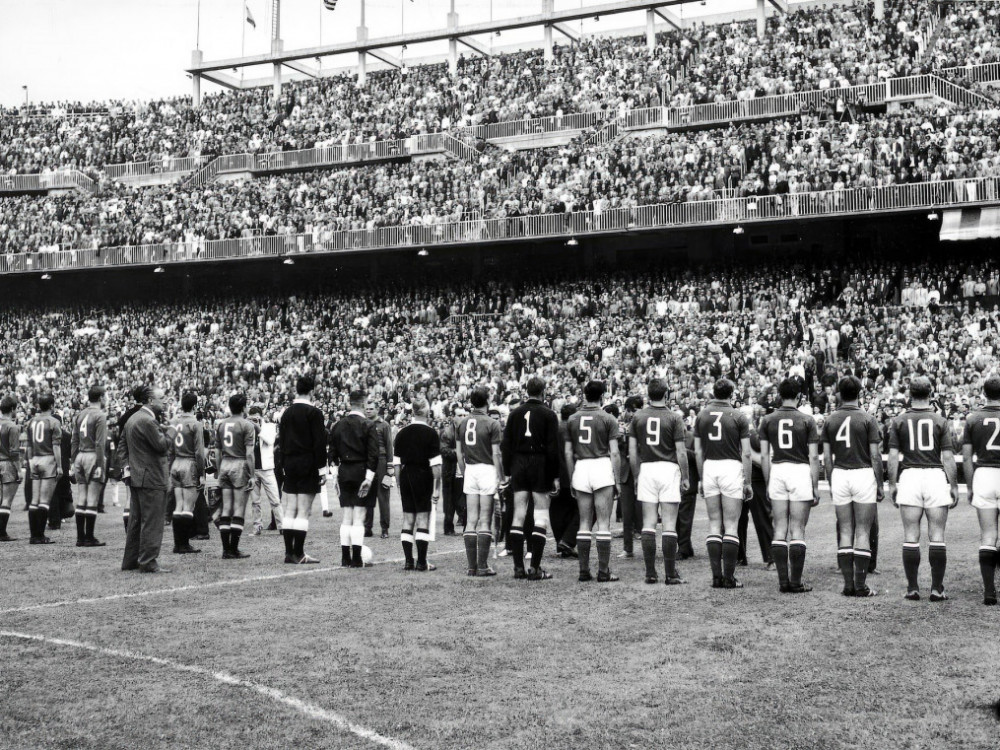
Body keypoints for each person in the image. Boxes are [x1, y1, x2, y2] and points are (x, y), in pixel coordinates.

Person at [886, 377, 959, 602]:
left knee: (910, 535)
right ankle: (937, 589)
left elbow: (893, 457)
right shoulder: (940, 420)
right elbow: (947, 457)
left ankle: (913, 588)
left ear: (910, 393)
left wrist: (892, 483)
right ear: (930, 393)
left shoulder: (898, 421)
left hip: (909, 476)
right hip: (935, 476)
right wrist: (953, 485)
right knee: (937, 534)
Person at [823, 375, 884, 598]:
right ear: (860, 393)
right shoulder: (868, 419)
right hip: (862, 473)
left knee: (846, 529)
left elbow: (827, 459)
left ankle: (848, 585)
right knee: (863, 531)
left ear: (839, 393)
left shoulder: (830, 419)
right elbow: (875, 456)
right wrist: (879, 484)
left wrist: (831, 481)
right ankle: (860, 586)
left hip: (840, 473)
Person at [759, 378, 820, 594]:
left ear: (779, 396)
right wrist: (815, 486)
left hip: (778, 470)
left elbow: (765, 455)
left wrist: (768, 482)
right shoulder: (807, 420)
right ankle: (795, 581)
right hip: (799, 471)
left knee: (779, 527)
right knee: (797, 528)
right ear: (799, 396)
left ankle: (783, 581)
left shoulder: (767, 420)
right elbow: (813, 458)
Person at [628, 379, 690, 585]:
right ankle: (670, 573)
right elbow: (681, 452)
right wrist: (686, 476)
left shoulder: (638, 416)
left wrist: (637, 476)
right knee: (670, 524)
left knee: (648, 523)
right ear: (666, 394)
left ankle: (650, 573)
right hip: (668, 469)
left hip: (647, 468)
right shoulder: (674, 417)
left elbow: (632, 452)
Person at [501, 375, 561, 579]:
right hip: (540, 463)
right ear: (543, 392)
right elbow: (553, 448)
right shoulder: (549, 414)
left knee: (519, 513)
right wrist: (555, 475)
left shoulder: (515, 413)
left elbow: (506, 445)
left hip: (519, 463)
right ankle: (535, 567)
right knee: (541, 514)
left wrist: (508, 471)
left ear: (527, 391)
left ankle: (518, 567)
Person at [694, 378, 752, 589]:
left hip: (710, 467)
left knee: (713, 524)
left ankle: (716, 577)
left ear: (713, 393)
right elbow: (746, 452)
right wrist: (748, 481)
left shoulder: (702, 415)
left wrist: (701, 477)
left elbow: (698, 451)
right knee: (731, 525)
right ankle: (729, 577)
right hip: (730, 468)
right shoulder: (738, 416)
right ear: (731, 393)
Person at [566, 380, 621, 582]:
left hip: (581, 466)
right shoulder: (608, 418)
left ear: (584, 395)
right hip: (601, 466)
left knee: (584, 522)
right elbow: (614, 453)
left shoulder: (573, 418)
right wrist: (617, 479)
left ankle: (583, 570)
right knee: (604, 522)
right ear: (602, 396)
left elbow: (568, 452)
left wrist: (573, 476)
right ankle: (604, 571)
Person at [118, 386, 173, 573]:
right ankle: (148, 561)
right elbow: (162, 446)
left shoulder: (132, 418)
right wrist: (171, 431)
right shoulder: (148, 421)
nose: (165, 400)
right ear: (151, 400)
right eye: (162, 397)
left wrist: (127, 469)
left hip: (137, 477)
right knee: (152, 521)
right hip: (152, 477)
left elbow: (122, 448)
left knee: (136, 520)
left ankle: (131, 561)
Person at [275, 374, 327, 564]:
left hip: (289, 463)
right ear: (312, 391)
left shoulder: (286, 413)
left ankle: (289, 553)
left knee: (290, 509)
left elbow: (280, 442)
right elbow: (319, 444)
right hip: (307, 463)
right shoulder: (314, 413)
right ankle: (299, 553)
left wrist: (282, 465)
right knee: (303, 510)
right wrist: (322, 470)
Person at [456, 385, 505, 578]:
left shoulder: (463, 422)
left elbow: (459, 453)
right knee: (485, 519)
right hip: (486, 469)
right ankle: (482, 565)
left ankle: (471, 566)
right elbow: (496, 454)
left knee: (471, 520)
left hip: (470, 469)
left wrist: (464, 470)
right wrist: (500, 477)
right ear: (487, 402)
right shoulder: (492, 423)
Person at [961, 375, 1000, 605]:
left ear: (984, 393)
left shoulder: (973, 418)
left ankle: (989, 591)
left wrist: (970, 485)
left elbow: (966, 456)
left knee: (987, 535)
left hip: (984, 474)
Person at [329, 390, 378, 568]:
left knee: (346, 516)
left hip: (344, 471)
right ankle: (356, 559)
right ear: (364, 404)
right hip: (361, 471)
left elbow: (331, 454)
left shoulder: (338, 425)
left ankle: (345, 558)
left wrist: (335, 476)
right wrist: (369, 478)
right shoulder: (368, 424)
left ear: (350, 403)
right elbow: (374, 455)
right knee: (359, 516)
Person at [392, 398, 443, 571]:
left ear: (412, 411)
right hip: (423, 475)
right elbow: (436, 466)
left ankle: (408, 561)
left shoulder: (401, 433)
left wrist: (399, 484)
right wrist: (437, 488)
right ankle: (422, 562)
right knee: (422, 518)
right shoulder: (431, 433)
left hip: (406, 476)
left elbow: (397, 464)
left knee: (408, 519)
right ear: (427, 411)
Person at [215, 394, 256, 560]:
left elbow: (217, 451)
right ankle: (233, 549)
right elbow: (250, 453)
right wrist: (252, 475)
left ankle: (226, 550)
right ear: (244, 407)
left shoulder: (221, 424)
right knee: (239, 508)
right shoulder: (247, 425)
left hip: (225, 464)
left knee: (227, 508)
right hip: (239, 464)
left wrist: (219, 470)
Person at [70, 385, 109, 548]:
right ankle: (90, 537)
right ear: (100, 397)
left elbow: (74, 440)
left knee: (82, 497)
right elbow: (100, 443)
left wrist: (73, 462)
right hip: (93, 456)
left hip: (80, 456)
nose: (106, 399)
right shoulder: (99, 415)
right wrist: (100, 464)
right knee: (92, 498)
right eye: (105, 396)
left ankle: (80, 538)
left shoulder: (80, 414)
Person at [168, 392, 205, 554]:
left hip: (175, 464)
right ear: (195, 406)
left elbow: (169, 447)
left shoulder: (173, 421)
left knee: (179, 505)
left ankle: (178, 544)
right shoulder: (195, 424)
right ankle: (184, 544)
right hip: (189, 463)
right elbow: (198, 452)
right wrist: (202, 473)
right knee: (188, 506)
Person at [25, 393, 62, 545]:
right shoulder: (53, 421)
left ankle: (34, 535)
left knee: (34, 500)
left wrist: (30, 461)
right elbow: (56, 446)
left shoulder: (31, 422)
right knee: (45, 501)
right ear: (52, 406)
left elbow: (28, 445)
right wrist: (59, 466)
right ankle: (39, 535)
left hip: (34, 460)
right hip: (48, 460)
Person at [248, 406, 282, 537]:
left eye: (257, 417)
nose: (255, 420)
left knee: (275, 499)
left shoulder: (269, 427)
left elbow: (270, 441)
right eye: (253, 418)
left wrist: (258, 427)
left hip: (267, 468)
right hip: (253, 468)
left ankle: (282, 526)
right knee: (255, 501)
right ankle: (257, 527)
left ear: (262, 416)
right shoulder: (247, 427)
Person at [363, 403, 394, 538]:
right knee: (367, 495)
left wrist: (390, 466)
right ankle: (367, 527)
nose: (369, 411)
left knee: (383, 497)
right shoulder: (363, 424)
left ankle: (384, 528)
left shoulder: (384, 425)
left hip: (381, 461)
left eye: (371, 409)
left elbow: (389, 446)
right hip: (368, 462)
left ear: (377, 410)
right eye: (367, 409)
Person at [439, 406, 466, 535]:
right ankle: (448, 527)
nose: (462, 417)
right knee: (449, 502)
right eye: (459, 415)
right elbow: (443, 451)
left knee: (464, 501)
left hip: (463, 472)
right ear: (453, 417)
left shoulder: (468, 430)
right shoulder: (447, 432)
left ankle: (467, 527)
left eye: (464, 415)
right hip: (450, 472)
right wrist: (459, 453)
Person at [0, 395, 21, 542]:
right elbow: (14, 452)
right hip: (7, 463)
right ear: (12, 409)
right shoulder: (12, 426)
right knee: (7, 500)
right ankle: (2, 533)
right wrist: (19, 469)